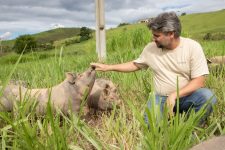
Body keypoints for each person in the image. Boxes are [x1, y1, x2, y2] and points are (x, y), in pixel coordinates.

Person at [91, 12, 217, 125]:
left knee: (207, 97)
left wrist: (173, 96)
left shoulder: (192, 47)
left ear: (171, 34)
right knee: (150, 127)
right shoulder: (151, 48)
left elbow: (199, 81)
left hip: (187, 96)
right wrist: (108, 67)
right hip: (160, 98)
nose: (153, 38)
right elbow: (135, 64)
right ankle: (167, 118)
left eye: (157, 36)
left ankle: (191, 126)